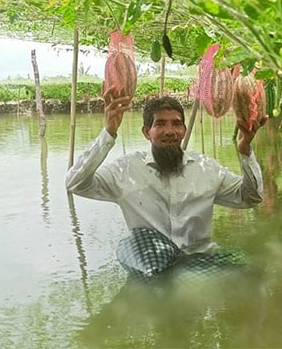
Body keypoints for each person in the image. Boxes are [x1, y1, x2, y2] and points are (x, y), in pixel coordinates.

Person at [66, 89, 268, 265]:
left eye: (176, 124)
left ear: (184, 130)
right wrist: (108, 133)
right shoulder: (125, 170)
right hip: (150, 260)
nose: (170, 131)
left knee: (252, 268)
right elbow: (76, 183)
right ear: (147, 132)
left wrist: (245, 149)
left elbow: (250, 197)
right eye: (160, 124)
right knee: (151, 266)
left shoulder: (207, 169)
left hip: (198, 258)